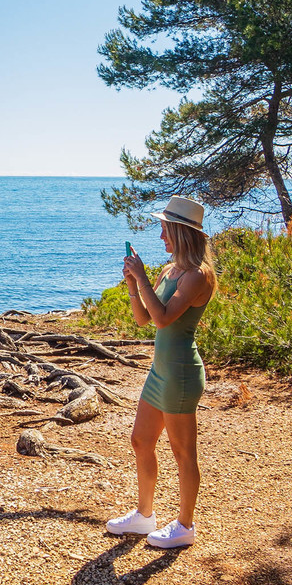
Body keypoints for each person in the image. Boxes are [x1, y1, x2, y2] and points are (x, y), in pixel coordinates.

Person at [105, 192, 216, 551]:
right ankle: (144, 515)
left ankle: (185, 526)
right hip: (160, 372)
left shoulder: (198, 276)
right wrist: (133, 284)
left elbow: (165, 319)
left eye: (166, 229)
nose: (161, 236)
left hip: (181, 373)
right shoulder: (170, 271)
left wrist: (141, 277)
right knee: (140, 440)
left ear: (183, 233)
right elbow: (144, 318)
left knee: (183, 453)